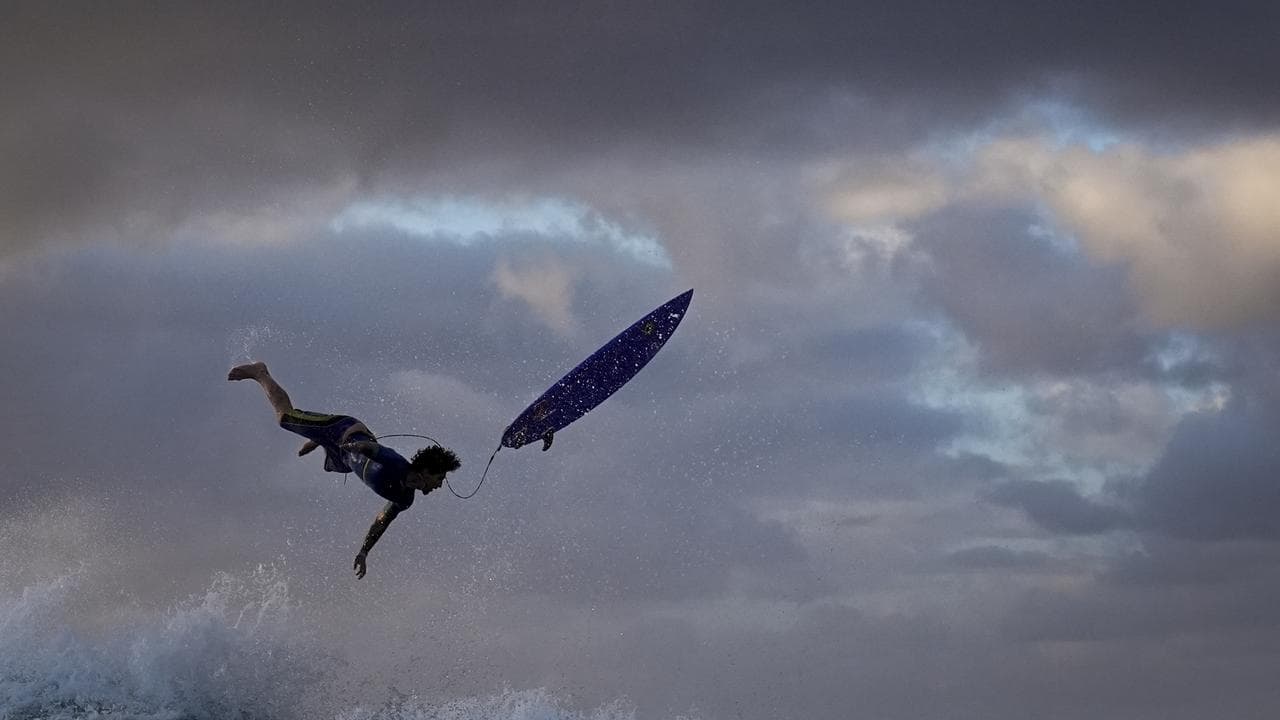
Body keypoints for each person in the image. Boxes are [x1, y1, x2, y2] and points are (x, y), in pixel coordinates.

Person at [228, 361, 461, 579]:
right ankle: (260, 373)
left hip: (344, 459)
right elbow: (372, 449)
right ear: (428, 470)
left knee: (330, 467)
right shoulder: (397, 463)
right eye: (440, 478)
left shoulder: (405, 499)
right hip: (342, 431)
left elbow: (381, 521)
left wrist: (364, 552)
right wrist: (354, 446)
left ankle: (320, 442)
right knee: (285, 418)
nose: (440, 485)